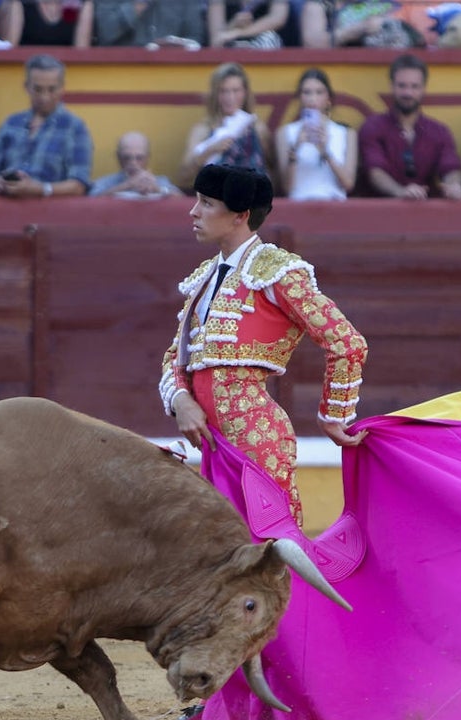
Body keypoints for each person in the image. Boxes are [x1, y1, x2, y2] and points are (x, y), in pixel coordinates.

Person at [160, 163, 367, 535]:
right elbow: (176, 356)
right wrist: (180, 401)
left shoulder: (279, 272)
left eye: (206, 203)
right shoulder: (204, 278)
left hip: (257, 441)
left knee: (269, 552)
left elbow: (346, 342)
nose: (193, 212)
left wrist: (333, 414)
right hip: (214, 443)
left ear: (239, 215)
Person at [0, 54, 93, 199]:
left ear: (62, 88)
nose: (44, 97)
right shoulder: (11, 123)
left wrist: (41, 189)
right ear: (26, 87)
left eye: (51, 89)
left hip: (51, 216)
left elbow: (79, 185)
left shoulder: (75, 128)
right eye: (38, 89)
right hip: (7, 212)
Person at [358, 53, 461, 200]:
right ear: (392, 86)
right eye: (402, 86)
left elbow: (451, 167)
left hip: (426, 216)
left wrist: (454, 186)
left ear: (423, 89)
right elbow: (375, 171)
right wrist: (400, 192)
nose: (408, 93)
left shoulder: (439, 131)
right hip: (380, 215)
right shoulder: (373, 126)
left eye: (414, 86)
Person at [178, 63, 271, 192]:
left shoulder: (258, 129)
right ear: (215, 94)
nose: (230, 97)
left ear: (245, 93)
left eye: (235, 90)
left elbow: (272, 170)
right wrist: (209, 150)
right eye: (223, 91)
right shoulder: (203, 130)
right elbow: (183, 177)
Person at [274, 68, 357, 201]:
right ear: (299, 97)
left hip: (334, 204)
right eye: (307, 92)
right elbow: (287, 188)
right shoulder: (285, 133)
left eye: (319, 92)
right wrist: (295, 149)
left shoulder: (346, 133)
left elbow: (348, 184)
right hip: (299, 205)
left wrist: (325, 153)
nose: (313, 99)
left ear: (328, 97)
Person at [90, 131, 180, 198]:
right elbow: (91, 199)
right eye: (127, 158)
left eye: (139, 158)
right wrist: (127, 185)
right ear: (118, 157)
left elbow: (181, 199)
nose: (133, 163)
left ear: (147, 158)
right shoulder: (106, 182)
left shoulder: (159, 181)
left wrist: (157, 189)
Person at [91, 0, 204, 46]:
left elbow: (195, 39)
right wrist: (139, 5)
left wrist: (174, 43)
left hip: (172, 70)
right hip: (122, 71)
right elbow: (105, 35)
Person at [0, 0, 93, 46]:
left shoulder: (83, 4)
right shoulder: (20, 3)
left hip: (67, 72)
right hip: (26, 70)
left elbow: (81, 51)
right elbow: (10, 48)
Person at [206, 0, 292, 48]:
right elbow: (216, 40)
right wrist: (232, 26)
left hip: (266, 44)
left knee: (269, 38)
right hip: (232, 46)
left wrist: (238, 33)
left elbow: (277, 19)